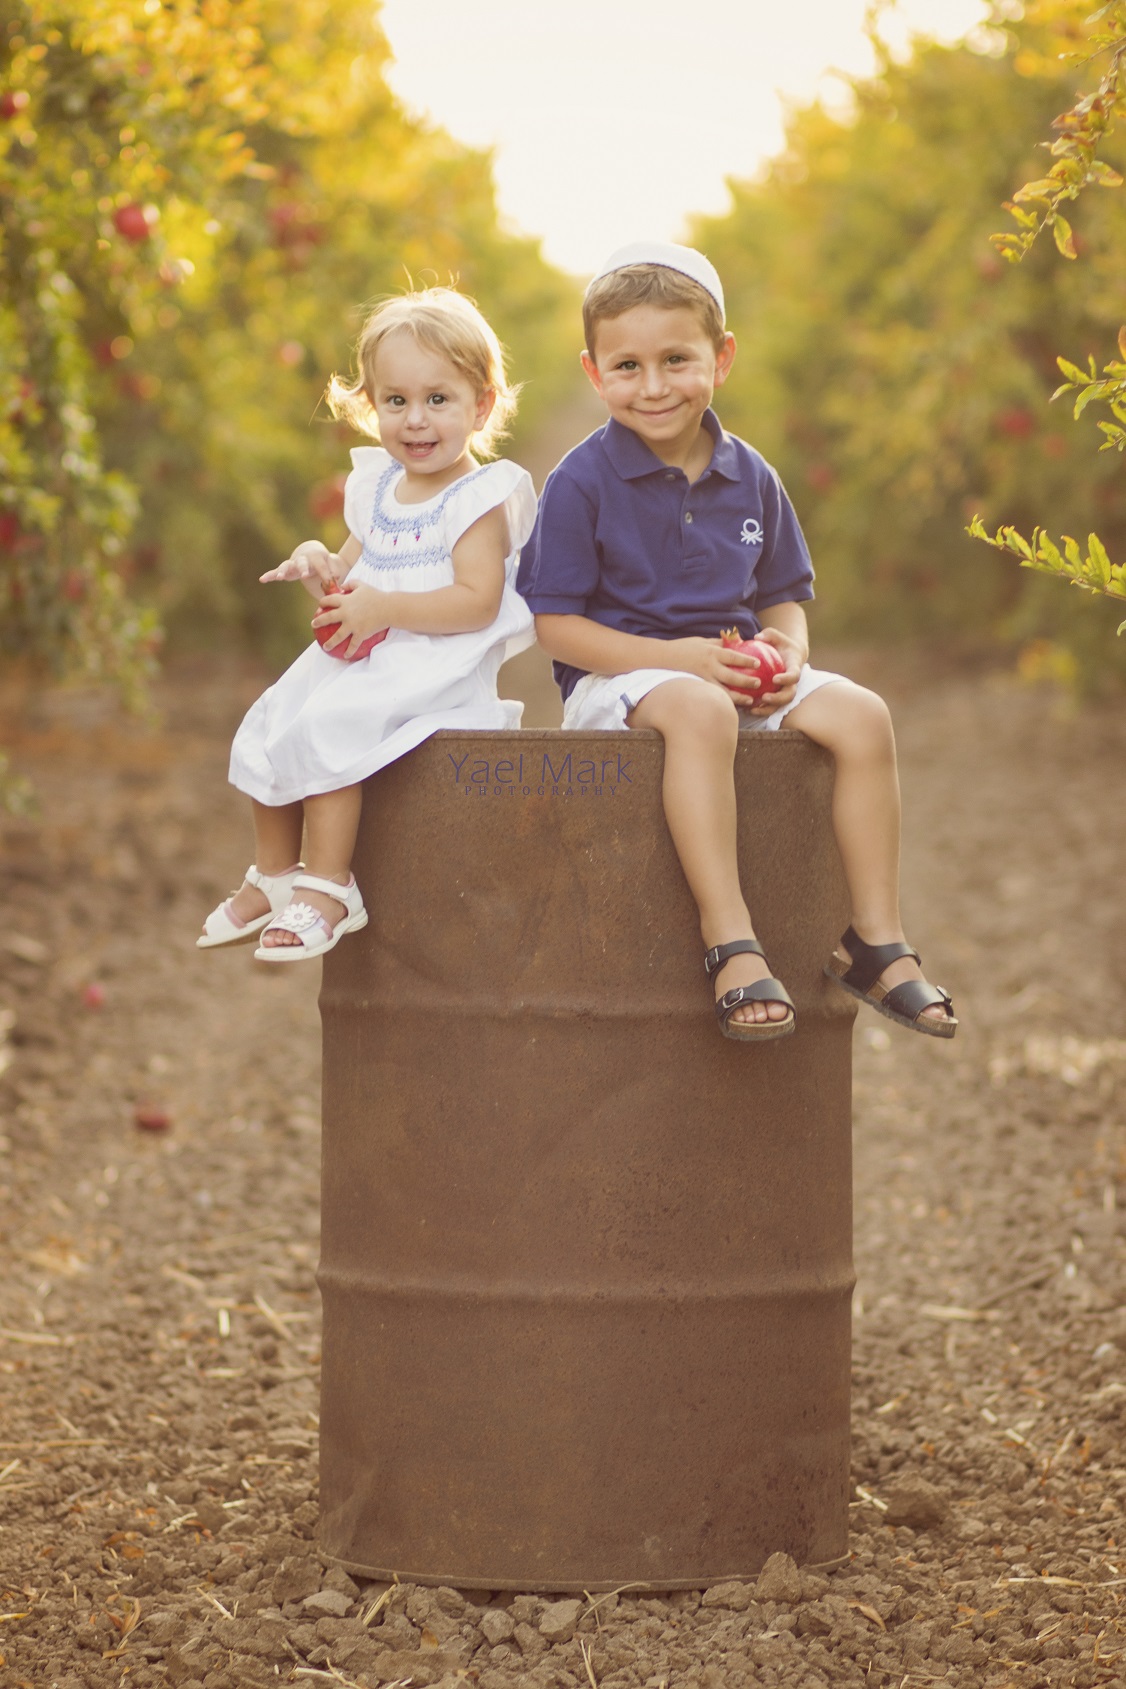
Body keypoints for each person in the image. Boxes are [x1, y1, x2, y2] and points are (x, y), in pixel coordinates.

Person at [517, 241, 957, 1043]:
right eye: (627, 367)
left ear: (720, 358)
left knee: (863, 715)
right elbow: (557, 628)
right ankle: (730, 938)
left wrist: (788, 654)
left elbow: (782, 600)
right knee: (699, 709)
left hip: (729, 671)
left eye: (676, 360)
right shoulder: (580, 482)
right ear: (593, 373)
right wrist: (679, 659)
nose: (654, 386)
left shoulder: (750, 474)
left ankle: (875, 939)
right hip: (619, 683)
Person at [198, 286, 535, 962]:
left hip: (433, 666)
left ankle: (330, 888)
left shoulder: (475, 498)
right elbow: (352, 569)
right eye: (396, 400)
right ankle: (276, 873)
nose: (416, 420)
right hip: (368, 655)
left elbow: (477, 601)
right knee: (273, 718)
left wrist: (385, 608)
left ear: (481, 405)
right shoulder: (380, 486)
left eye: (437, 399)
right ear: (371, 404)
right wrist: (318, 560)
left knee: (330, 725)